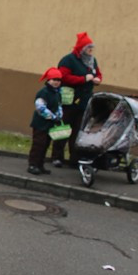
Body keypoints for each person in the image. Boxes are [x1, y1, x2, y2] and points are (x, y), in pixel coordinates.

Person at [53, 32, 103, 167]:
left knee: (78, 131)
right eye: (88, 48)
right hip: (69, 101)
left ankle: (74, 159)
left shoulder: (92, 61)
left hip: (84, 102)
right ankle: (57, 156)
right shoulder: (68, 60)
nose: (91, 51)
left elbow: (98, 73)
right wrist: (82, 79)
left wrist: (98, 79)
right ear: (81, 48)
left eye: (92, 48)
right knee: (63, 129)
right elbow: (62, 76)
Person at [28, 68, 64, 175]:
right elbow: (41, 108)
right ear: (48, 80)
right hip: (40, 123)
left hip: (50, 124)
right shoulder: (43, 92)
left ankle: (40, 164)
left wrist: (59, 115)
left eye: (58, 80)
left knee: (46, 145)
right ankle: (33, 164)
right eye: (54, 79)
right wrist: (53, 117)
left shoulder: (58, 93)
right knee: (38, 144)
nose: (57, 82)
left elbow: (59, 106)